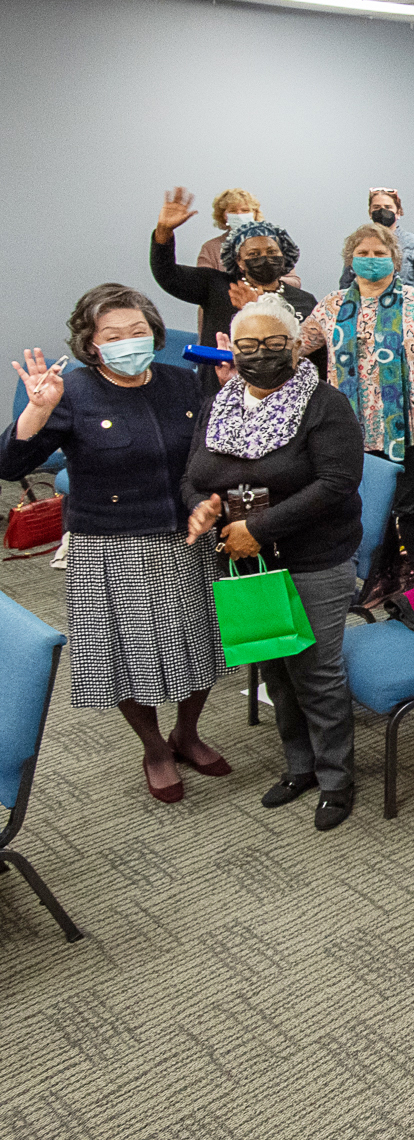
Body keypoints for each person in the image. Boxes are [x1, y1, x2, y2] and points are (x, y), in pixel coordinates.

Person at [5, 286, 227, 804]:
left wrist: (233, 395)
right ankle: (153, 747)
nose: (129, 342)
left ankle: (187, 734)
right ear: (90, 344)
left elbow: (214, 452)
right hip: (112, 545)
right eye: (113, 335)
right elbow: (9, 466)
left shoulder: (182, 382)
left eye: (138, 332)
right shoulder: (71, 392)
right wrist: (36, 414)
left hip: (189, 539)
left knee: (203, 648)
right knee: (129, 658)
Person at [182, 297, 363, 830]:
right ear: (230, 351)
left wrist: (256, 529)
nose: (260, 356)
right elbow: (193, 472)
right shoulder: (221, 402)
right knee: (275, 666)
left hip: (313, 556)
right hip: (243, 559)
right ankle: (299, 765)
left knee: (315, 671)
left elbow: (336, 484)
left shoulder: (324, 404)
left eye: (273, 345)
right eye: (248, 347)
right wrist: (203, 506)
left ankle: (336, 777)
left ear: (295, 345)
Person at [299, 222, 414, 599]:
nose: (371, 260)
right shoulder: (332, 306)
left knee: (411, 505)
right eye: (364, 254)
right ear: (350, 260)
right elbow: (296, 350)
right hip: (351, 426)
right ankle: (378, 571)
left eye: (380, 254)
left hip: (412, 423)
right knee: (364, 504)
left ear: (395, 259)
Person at [149, 188, 318, 347]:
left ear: (285, 256)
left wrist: (255, 306)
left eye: (272, 251)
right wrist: (164, 231)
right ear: (239, 261)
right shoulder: (216, 286)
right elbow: (167, 275)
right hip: (220, 375)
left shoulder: (305, 301)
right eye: (253, 254)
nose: (264, 258)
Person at [341, 188, 414, 296]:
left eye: (388, 207)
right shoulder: (358, 242)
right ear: (370, 212)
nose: (382, 211)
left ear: (398, 212)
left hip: (404, 308)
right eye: (376, 207)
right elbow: (345, 285)